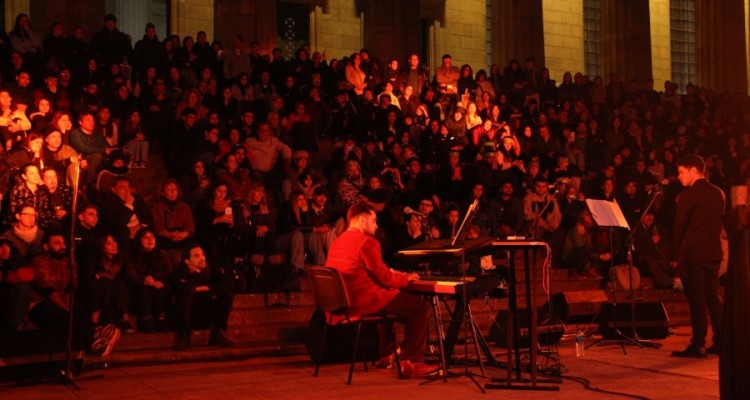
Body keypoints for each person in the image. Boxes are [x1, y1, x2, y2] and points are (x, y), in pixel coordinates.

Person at [325, 201, 436, 378]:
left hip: (341, 304)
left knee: (387, 296)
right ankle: (412, 363)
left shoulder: (338, 242)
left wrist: (390, 274)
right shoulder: (366, 242)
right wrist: (405, 278)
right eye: (374, 220)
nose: (376, 225)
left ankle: (387, 355)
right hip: (362, 301)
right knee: (420, 308)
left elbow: (369, 271)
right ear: (362, 220)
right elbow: (383, 277)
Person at [670, 154, 725, 358]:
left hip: (693, 254)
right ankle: (720, 341)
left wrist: (676, 253)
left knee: (697, 300)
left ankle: (698, 344)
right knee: (713, 297)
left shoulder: (689, 195)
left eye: (681, 172)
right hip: (713, 253)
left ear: (694, 170)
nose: (679, 176)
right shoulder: (719, 193)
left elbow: (679, 226)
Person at [168, 244, 234, 351]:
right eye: (196, 256)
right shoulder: (179, 272)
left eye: (203, 255)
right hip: (189, 315)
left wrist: (204, 288)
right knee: (184, 296)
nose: (202, 258)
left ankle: (217, 333)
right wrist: (196, 274)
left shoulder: (210, 268)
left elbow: (227, 284)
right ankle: (184, 335)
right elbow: (185, 288)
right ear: (187, 261)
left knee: (227, 294)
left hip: (206, 311)